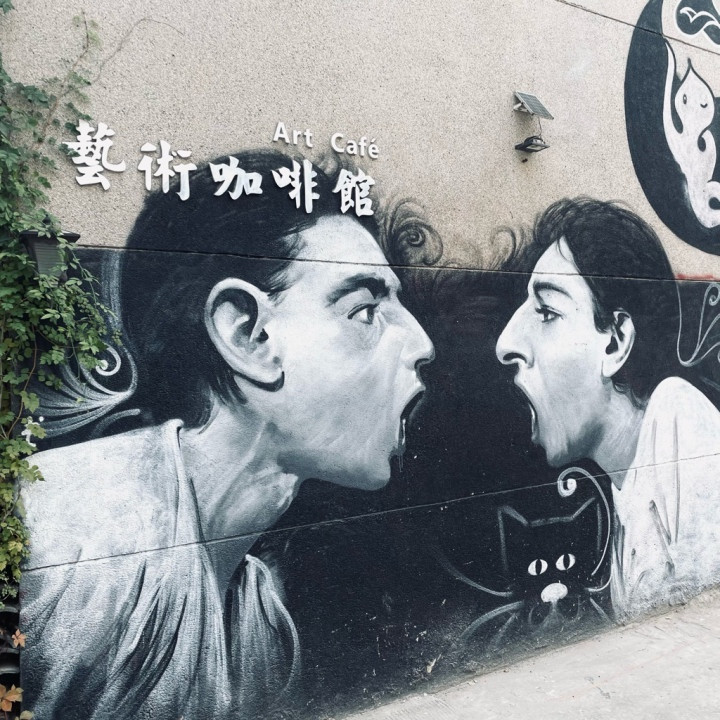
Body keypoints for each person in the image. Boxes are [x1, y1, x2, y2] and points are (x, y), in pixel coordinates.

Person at [19, 149, 434, 720]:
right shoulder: (70, 544)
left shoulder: (261, 619)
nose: (421, 344)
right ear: (247, 335)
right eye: (364, 311)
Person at [495, 197, 720, 621]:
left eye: (546, 311)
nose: (506, 344)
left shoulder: (678, 418)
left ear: (615, 342)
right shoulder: (626, 486)